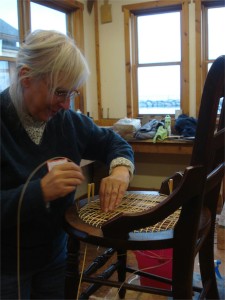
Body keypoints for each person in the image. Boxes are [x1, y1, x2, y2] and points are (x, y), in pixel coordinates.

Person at [0, 29, 134, 300]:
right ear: (26, 77)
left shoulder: (68, 121)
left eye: (72, 93)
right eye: (60, 92)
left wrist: (120, 171)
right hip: (5, 267)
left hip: (54, 254)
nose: (66, 104)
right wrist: (41, 192)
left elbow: (115, 144)